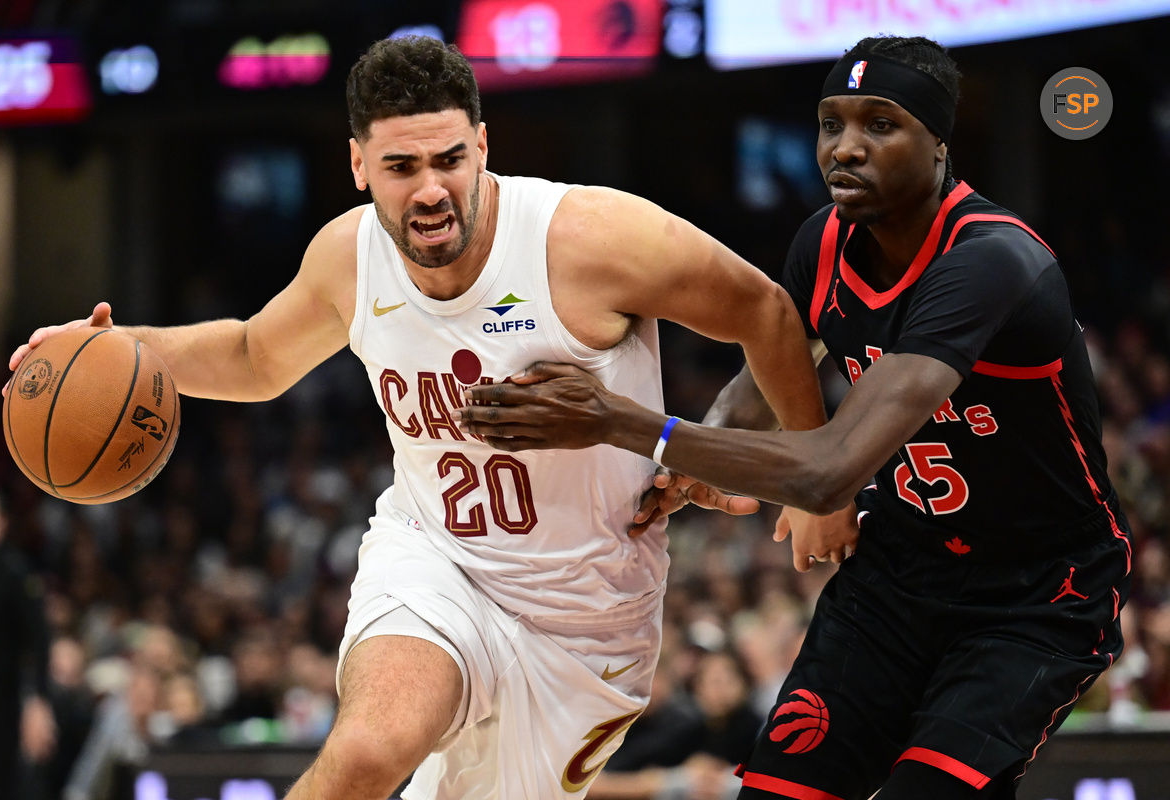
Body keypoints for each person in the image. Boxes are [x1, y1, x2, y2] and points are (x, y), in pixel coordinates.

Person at [7, 35, 850, 800]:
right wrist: (114, 350)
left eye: (450, 158)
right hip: (435, 558)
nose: (433, 188)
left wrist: (814, 482)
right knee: (368, 751)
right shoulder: (350, 255)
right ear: (359, 166)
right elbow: (256, 357)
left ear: (484, 146)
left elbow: (768, 311)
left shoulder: (587, 238)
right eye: (402, 167)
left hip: (586, 615)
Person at [456, 35, 1132, 800]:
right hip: (900, 575)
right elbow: (766, 372)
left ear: (941, 143)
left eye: (880, 125)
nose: (845, 147)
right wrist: (692, 455)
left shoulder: (988, 261)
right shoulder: (824, 242)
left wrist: (624, 421)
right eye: (831, 124)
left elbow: (828, 468)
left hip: (1037, 591)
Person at [0, 481, 57, 800]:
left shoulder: (16, 573)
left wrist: (39, 701)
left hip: (1, 703)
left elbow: (41, 642)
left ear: (1, 524)